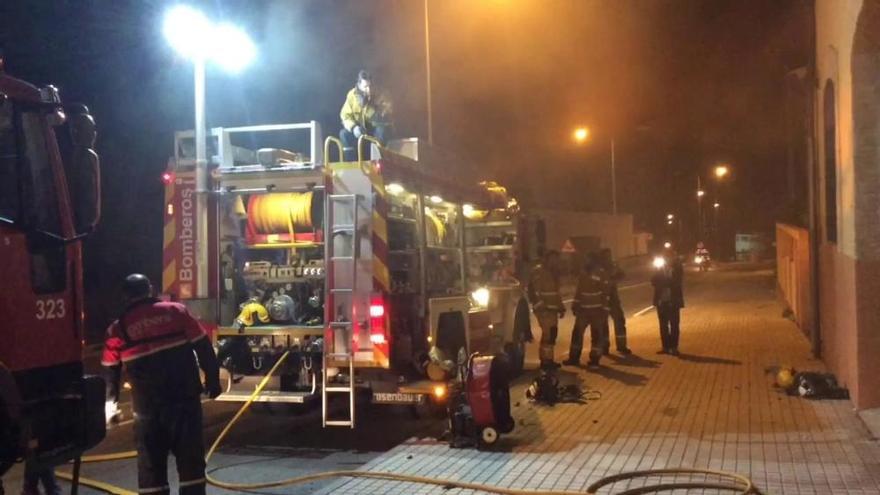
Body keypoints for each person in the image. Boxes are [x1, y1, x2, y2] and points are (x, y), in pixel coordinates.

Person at [102, 274, 221, 495]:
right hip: (184, 403)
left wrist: (111, 407)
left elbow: (111, 372)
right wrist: (212, 381)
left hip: (147, 411)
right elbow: (203, 347)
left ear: (125, 296)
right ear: (151, 290)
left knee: (151, 467)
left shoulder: (118, 329)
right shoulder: (175, 312)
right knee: (191, 463)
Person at [565, 254, 611, 369]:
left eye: (587, 259)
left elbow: (606, 293)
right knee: (577, 334)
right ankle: (574, 358)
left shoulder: (601, 273)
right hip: (583, 310)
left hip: (597, 310)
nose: (586, 261)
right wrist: (575, 304)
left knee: (596, 336)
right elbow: (579, 290)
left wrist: (605, 309)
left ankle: (595, 360)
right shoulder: (583, 273)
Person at [339, 70, 393, 161]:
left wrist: (369, 105)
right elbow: (345, 116)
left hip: (376, 131)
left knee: (381, 131)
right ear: (359, 85)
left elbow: (386, 115)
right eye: (365, 87)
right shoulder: (352, 95)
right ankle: (351, 164)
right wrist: (354, 127)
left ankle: (378, 161)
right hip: (360, 131)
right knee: (343, 134)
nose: (369, 90)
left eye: (370, 86)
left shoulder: (382, 95)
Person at [527, 251, 565, 370]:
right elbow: (535, 293)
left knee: (552, 334)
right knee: (547, 335)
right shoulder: (539, 272)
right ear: (547, 259)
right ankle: (545, 362)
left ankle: (549, 360)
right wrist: (541, 307)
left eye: (556, 260)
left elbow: (555, 293)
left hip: (552, 310)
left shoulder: (553, 274)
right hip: (544, 310)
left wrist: (561, 307)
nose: (555, 262)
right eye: (553, 259)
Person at [651, 251, 685, 356]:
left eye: (670, 257)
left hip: (673, 300)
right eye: (666, 257)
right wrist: (660, 276)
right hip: (662, 300)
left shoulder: (677, 268)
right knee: (663, 325)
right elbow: (653, 281)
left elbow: (676, 282)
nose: (668, 259)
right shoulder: (659, 268)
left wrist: (664, 282)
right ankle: (665, 346)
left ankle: (674, 347)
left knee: (674, 325)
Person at [599, 248, 631, 355]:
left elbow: (622, 275)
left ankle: (621, 345)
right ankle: (604, 346)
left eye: (609, 255)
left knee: (619, 321)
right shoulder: (599, 269)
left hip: (613, 299)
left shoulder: (613, 266)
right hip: (602, 299)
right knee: (603, 324)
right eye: (606, 256)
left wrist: (615, 277)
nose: (608, 257)